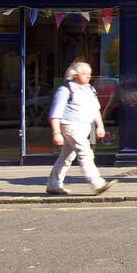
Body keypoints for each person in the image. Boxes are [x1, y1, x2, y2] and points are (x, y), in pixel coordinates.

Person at [46, 60, 113, 196]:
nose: (88, 76)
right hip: (70, 125)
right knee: (85, 153)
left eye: (89, 74)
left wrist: (100, 126)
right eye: (84, 73)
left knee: (66, 156)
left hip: (84, 127)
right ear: (75, 75)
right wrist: (56, 133)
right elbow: (55, 113)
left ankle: (53, 184)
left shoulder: (90, 89)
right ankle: (97, 184)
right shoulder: (65, 89)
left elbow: (95, 110)